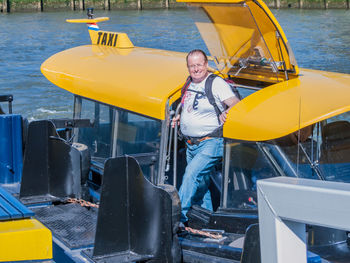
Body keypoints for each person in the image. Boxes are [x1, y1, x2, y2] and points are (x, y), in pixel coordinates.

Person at [172, 49, 240, 223]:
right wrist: (180, 117)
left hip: (211, 142)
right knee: (201, 184)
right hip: (190, 144)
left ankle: (176, 216)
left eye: (199, 65)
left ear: (206, 65)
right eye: (192, 66)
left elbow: (236, 104)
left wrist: (229, 112)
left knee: (191, 175)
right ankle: (206, 220)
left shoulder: (216, 83)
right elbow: (188, 105)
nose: (196, 69)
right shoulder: (189, 83)